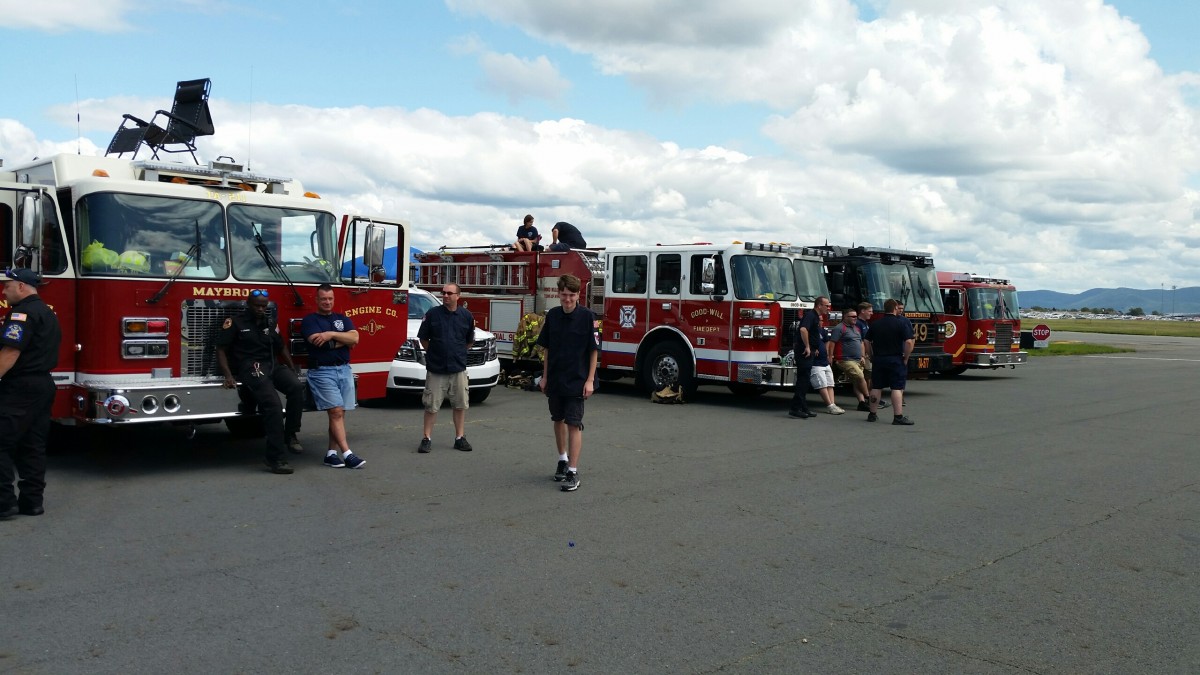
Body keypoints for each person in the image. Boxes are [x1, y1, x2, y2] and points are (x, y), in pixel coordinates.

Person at [216, 290, 306, 474]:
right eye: (257, 305)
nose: (260, 309)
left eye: (264, 306)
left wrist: (291, 368)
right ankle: (275, 458)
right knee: (272, 406)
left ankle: (290, 435)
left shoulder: (270, 322)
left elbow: (281, 347)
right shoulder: (235, 322)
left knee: (296, 388)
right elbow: (221, 349)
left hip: (272, 365)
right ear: (248, 304)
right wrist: (228, 375)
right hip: (252, 367)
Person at [0, 268, 61, 519]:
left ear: (22, 287)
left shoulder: (21, 314)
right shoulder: (47, 312)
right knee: (32, 445)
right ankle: (32, 502)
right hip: (43, 385)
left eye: (7, 286)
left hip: (20, 388)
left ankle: (4, 504)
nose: (4, 291)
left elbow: (10, 353)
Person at [536, 274, 599, 491]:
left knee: (574, 423)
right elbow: (547, 349)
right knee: (558, 419)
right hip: (555, 378)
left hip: (578, 379)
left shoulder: (590, 317)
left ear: (579, 295)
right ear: (559, 294)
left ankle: (573, 471)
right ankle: (562, 459)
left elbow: (594, 351)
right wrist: (544, 377)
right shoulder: (552, 316)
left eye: (572, 295)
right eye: (564, 295)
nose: (568, 299)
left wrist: (590, 380)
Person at [301, 284, 365, 469]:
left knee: (338, 415)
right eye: (323, 299)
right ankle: (348, 454)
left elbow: (355, 338)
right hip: (322, 372)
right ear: (317, 300)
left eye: (330, 299)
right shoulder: (310, 321)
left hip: (344, 370)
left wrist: (330, 334)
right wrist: (343, 341)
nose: (327, 302)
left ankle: (331, 454)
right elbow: (320, 345)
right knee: (336, 412)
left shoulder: (341, 318)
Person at [417, 282, 475, 453]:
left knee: (460, 405)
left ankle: (460, 437)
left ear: (458, 296)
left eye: (450, 293)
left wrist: (456, 353)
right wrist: (436, 353)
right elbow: (424, 339)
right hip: (437, 369)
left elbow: (469, 341)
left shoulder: (466, 316)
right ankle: (426, 438)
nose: (446, 296)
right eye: (444, 293)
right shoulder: (433, 314)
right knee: (431, 405)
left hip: (458, 368)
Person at [864, 298, 915, 425]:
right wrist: (906, 357)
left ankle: (872, 414)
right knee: (896, 387)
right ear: (895, 308)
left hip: (879, 359)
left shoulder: (876, 323)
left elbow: (866, 341)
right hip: (895, 358)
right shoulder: (901, 323)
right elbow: (909, 341)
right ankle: (898, 416)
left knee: (876, 387)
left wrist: (871, 355)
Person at [788, 296, 831, 419]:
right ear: (819, 305)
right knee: (803, 379)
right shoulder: (811, 315)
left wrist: (814, 347)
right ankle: (795, 408)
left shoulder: (816, 317)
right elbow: (803, 329)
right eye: (826, 305)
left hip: (810, 350)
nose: (828, 308)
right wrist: (807, 346)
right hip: (804, 352)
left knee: (805, 380)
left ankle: (803, 407)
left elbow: (813, 333)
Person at [829, 308, 872, 411]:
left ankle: (861, 403)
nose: (855, 318)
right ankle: (868, 397)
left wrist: (862, 356)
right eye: (852, 316)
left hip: (858, 359)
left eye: (856, 316)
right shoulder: (839, 328)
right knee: (860, 376)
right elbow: (832, 343)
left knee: (856, 381)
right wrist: (830, 356)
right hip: (845, 360)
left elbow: (861, 342)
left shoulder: (856, 328)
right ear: (845, 317)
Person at [855, 301, 887, 409]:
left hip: (868, 353)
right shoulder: (858, 324)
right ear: (862, 311)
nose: (871, 313)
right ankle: (866, 399)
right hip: (863, 355)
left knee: (868, 377)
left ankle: (871, 398)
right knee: (862, 378)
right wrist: (863, 355)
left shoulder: (865, 323)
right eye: (869, 311)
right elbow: (860, 341)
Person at [811, 319, 844, 414]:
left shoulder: (822, 331)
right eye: (819, 320)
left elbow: (827, 341)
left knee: (830, 384)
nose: (821, 322)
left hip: (824, 362)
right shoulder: (809, 331)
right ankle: (829, 406)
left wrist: (828, 354)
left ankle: (833, 405)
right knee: (822, 385)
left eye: (821, 320)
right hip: (816, 363)